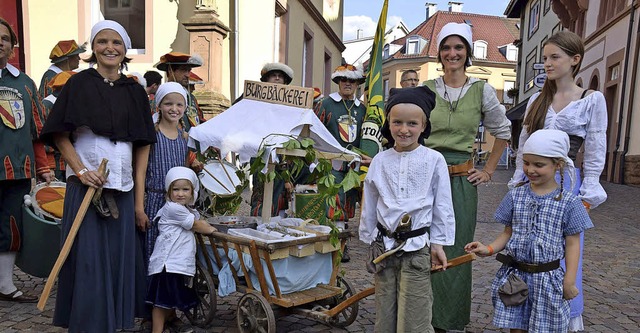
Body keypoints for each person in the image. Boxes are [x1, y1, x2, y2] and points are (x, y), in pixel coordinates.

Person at [40, 20, 156, 332]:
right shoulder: (78, 84)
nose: (109, 48)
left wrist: (139, 205)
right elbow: (60, 135)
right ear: (93, 47)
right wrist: (80, 169)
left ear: (125, 49)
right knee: (89, 265)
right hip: (87, 190)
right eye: (102, 41)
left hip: (123, 189)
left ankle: (113, 325)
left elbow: (142, 149)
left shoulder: (135, 92)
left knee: (118, 264)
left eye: (116, 42)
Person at [507, 30, 607, 331]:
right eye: (545, 58)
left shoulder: (591, 99)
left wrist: (588, 190)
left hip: (567, 184)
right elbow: (524, 145)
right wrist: (517, 184)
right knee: (526, 246)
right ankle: (523, 312)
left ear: (575, 60)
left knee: (564, 249)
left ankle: (559, 317)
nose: (547, 64)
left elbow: (596, 146)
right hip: (532, 182)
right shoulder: (538, 98)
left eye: (554, 57)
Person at [423, 22, 512, 332]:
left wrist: (487, 170)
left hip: (461, 179)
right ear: (440, 53)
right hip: (427, 175)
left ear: (468, 52)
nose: (452, 53)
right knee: (421, 243)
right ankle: (420, 313)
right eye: (446, 47)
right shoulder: (428, 90)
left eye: (458, 47)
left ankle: (447, 320)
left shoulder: (481, 90)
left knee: (457, 245)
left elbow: (503, 131)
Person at [465, 129, 593, 332]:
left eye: (538, 165)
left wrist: (569, 280)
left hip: (548, 280)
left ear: (557, 164)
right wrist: (488, 248)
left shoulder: (569, 203)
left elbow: (573, 244)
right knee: (516, 328)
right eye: (526, 163)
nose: (530, 169)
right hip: (516, 276)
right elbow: (508, 233)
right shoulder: (516, 196)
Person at [359, 86, 455, 332]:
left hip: (416, 250)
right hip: (385, 250)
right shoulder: (380, 160)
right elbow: (370, 201)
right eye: (397, 122)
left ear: (424, 126)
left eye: (412, 123)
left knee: (415, 316)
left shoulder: (434, 160)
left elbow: (443, 204)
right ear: (388, 124)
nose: (404, 129)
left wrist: (438, 244)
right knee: (385, 312)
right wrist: (371, 238)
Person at [0, 17, 53, 303]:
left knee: (11, 228)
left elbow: (36, 131)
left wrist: (43, 166)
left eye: (4, 39)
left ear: (12, 46)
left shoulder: (25, 83)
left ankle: (5, 285)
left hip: (16, 171)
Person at [135, 82, 203, 272]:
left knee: (175, 250)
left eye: (179, 105)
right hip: (154, 202)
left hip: (177, 203)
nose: (174, 109)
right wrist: (139, 208)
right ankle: (150, 296)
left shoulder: (184, 137)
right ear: (159, 105)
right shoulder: (151, 134)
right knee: (153, 249)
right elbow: (139, 173)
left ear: (185, 107)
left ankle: (170, 292)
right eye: (168, 104)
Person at [146, 166, 217, 333]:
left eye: (185, 189)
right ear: (169, 191)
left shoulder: (186, 209)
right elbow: (198, 225)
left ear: (193, 192)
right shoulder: (173, 208)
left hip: (174, 263)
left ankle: (167, 323)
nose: (180, 193)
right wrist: (214, 229)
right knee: (161, 302)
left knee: (167, 299)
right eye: (175, 189)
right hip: (168, 263)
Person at [314, 64, 372, 262]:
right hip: (333, 164)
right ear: (338, 81)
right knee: (335, 201)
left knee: (348, 204)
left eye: (352, 80)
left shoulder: (362, 109)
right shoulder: (325, 105)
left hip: (354, 166)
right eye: (344, 80)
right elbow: (315, 132)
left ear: (357, 83)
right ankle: (336, 245)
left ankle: (341, 241)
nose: (348, 83)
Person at [248, 62, 296, 217]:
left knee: (280, 192)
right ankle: (258, 223)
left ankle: (275, 224)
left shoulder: (290, 105)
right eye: (273, 76)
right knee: (260, 193)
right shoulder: (253, 99)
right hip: (260, 153)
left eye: (280, 76)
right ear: (266, 79)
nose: (276, 79)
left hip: (282, 153)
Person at [155, 52, 204, 132]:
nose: (188, 75)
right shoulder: (161, 96)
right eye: (183, 70)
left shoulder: (191, 97)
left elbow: (199, 119)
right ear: (170, 71)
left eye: (189, 71)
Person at [41, 71, 76, 180]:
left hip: (70, 160)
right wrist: (48, 166)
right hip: (55, 163)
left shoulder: (72, 101)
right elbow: (44, 139)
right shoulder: (48, 104)